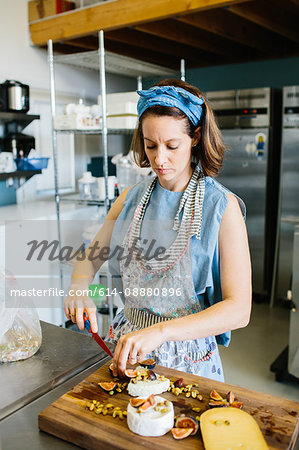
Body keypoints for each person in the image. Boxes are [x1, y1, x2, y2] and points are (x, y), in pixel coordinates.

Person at [64, 79, 251, 382]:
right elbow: (90, 258)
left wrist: (161, 331)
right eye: (151, 145)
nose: (159, 159)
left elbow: (239, 310)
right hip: (127, 349)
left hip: (187, 357)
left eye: (172, 145)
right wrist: (78, 287)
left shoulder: (222, 207)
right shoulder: (129, 200)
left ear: (196, 137)